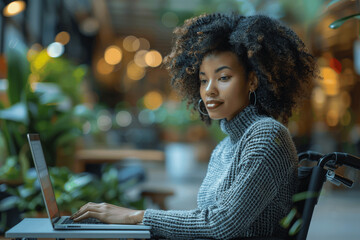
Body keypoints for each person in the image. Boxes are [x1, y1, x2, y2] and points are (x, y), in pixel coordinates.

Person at [71, 13, 319, 239]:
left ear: (253, 80)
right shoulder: (224, 147)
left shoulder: (266, 136)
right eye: (203, 80)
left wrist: (136, 217)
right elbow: (206, 221)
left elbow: (222, 224)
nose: (209, 90)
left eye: (223, 78)